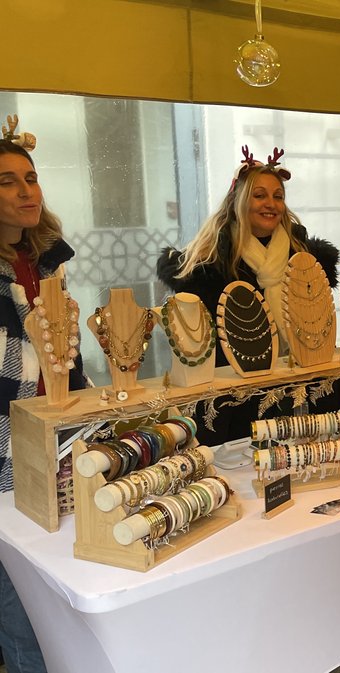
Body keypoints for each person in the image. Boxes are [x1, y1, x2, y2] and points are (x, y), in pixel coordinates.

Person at [156, 147, 340, 444]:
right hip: (235, 398)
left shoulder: (305, 257)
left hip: (301, 389)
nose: (271, 204)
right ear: (240, 201)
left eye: (277, 196)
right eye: (260, 195)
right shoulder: (211, 262)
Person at [0, 118, 87, 673]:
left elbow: (64, 363)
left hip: (51, 451)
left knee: (52, 594)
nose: (27, 190)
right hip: (5, 461)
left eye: (30, 178)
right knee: (18, 608)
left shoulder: (42, 264)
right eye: (7, 181)